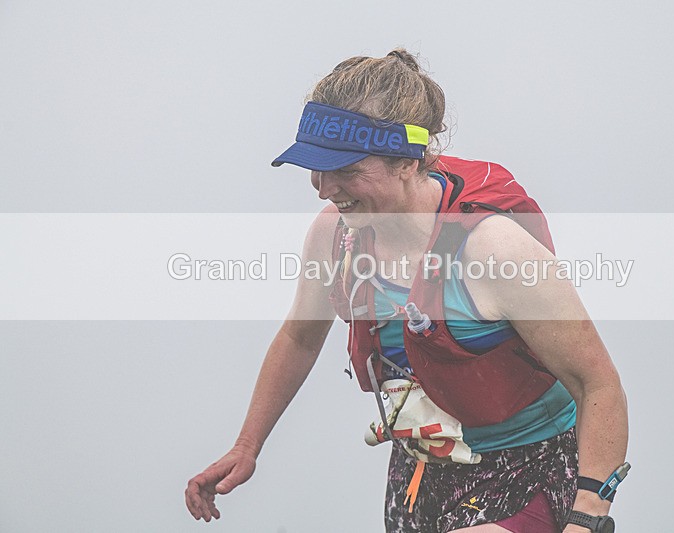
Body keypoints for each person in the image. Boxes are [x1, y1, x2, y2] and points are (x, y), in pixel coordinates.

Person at [185, 49, 629, 533]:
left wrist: (588, 517)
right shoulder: (335, 235)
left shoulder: (493, 249)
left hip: (531, 468)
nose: (323, 188)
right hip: (419, 473)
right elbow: (299, 338)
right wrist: (247, 446)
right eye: (315, 167)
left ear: (407, 161)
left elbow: (598, 384)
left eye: (347, 170)